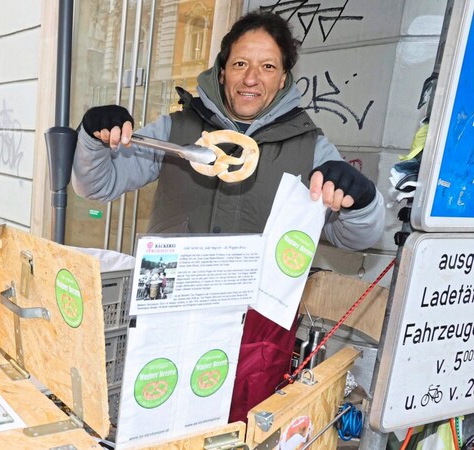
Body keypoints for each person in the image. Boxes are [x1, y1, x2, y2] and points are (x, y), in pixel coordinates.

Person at [71, 11, 384, 422]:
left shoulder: (311, 148)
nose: (251, 78)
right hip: (166, 315)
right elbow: (97, 185)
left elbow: (356, 236)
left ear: (283, 77)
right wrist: (95, 139)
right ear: (222, 73)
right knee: (152, 423)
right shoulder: (178, 129)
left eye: (267, 66)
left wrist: (360, 200)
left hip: (252, 336)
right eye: (240, 64)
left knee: (235, 433)